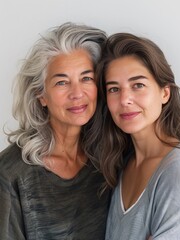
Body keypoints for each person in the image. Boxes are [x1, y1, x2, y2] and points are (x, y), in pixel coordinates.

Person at [0, 22, 111, 239]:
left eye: (86, 78)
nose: (77, 93)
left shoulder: (109, 160)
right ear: (41, 95)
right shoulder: (10, 173)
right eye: (62, 82)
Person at [97, 32, 180, 239]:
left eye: (138, 85)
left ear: (165, 92)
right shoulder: (121, 165)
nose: (125, 99)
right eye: (114, 89)